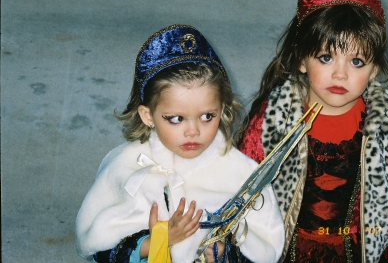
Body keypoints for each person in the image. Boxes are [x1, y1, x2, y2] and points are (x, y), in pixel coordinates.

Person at [236, 0, 388, 263]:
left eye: (357, 61)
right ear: (301, 58)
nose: (340, 73)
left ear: (375, 69)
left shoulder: (386, 136)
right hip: (282, 252)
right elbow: (241, 202)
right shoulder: (270, 127)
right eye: (326, 58)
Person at [76, 24, 285, 263]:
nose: (193, 131)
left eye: (208, 116)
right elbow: (100, 248)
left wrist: (225, 252)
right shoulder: (126, 166)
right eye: (176, 119)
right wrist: (158, 241)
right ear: (148, 116)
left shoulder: (240, 174)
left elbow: (264, 247)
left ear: (223, 110)